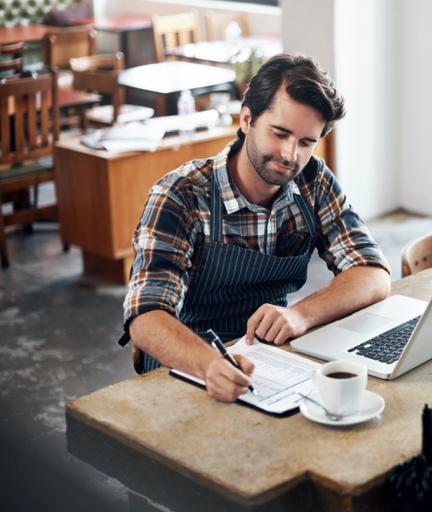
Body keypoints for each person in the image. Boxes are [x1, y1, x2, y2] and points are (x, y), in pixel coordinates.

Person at [119, 54, 391, 402]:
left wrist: (299, 315)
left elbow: (372, 273)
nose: (291, 154)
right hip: (187, 364)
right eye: (280, 133)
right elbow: (146, 317)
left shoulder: (314, 182)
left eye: (307, 142)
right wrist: (210, 365)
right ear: (247, 118)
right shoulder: (179, 196)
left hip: (272, 358)